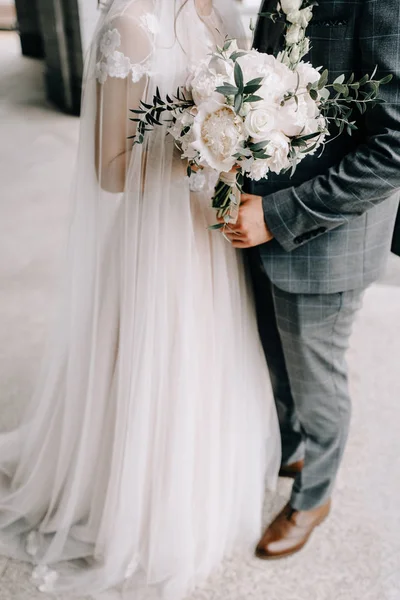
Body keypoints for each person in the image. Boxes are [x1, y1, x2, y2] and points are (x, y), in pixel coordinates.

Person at [0, 1, 280, 598]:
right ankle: (144, 509)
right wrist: (199, 145)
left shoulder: (224, 14)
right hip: (158, 240)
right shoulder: (132, 24)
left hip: (217, 225)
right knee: (159, 363)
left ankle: (202, 486)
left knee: (213, 355)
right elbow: (110, 169)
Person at [224, 0, 400, 559]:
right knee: (278, 360)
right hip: (259, 212)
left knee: (317, 381)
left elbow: (393, 148)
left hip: (327, 237)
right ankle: (292, 448)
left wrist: (277, 216)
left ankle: (314, 495)